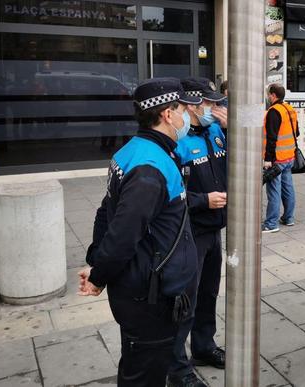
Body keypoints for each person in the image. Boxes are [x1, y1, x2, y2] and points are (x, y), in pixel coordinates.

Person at [78, 78, 201, 387]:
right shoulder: (150, 167)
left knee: (139, 362)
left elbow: (106, 211)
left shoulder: (135, 151)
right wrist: (98, 276)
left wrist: (96, 262)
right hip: (149, 295)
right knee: (144, 374)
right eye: (183, 108)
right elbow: (122, 233)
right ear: (167, 114)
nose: (187, 115)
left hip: (144, 286)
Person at [167, 77, 227, 387]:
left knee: (208, 294)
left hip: (214, 229)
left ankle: (204, 347)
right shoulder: (177, 139)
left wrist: (234, 132)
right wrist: (203, 200)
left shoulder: (215, 131)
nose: (215, 108)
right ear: (192, 105)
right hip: (189, 233)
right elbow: (168, 194)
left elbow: (236, 166)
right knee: (185, 302)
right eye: (209, 103)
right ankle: (177, 369)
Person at [262, 83, 298, 233]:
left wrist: (268, 159)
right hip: (290, 156)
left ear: (273, 95)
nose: (267, 97)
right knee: (288, 187)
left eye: (268, 94)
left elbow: (272, 138)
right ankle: (289, 218)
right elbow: (297, 132)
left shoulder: (273, 111)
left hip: (277, 159)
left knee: (274, 190)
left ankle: (271, 224)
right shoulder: (289, 109)